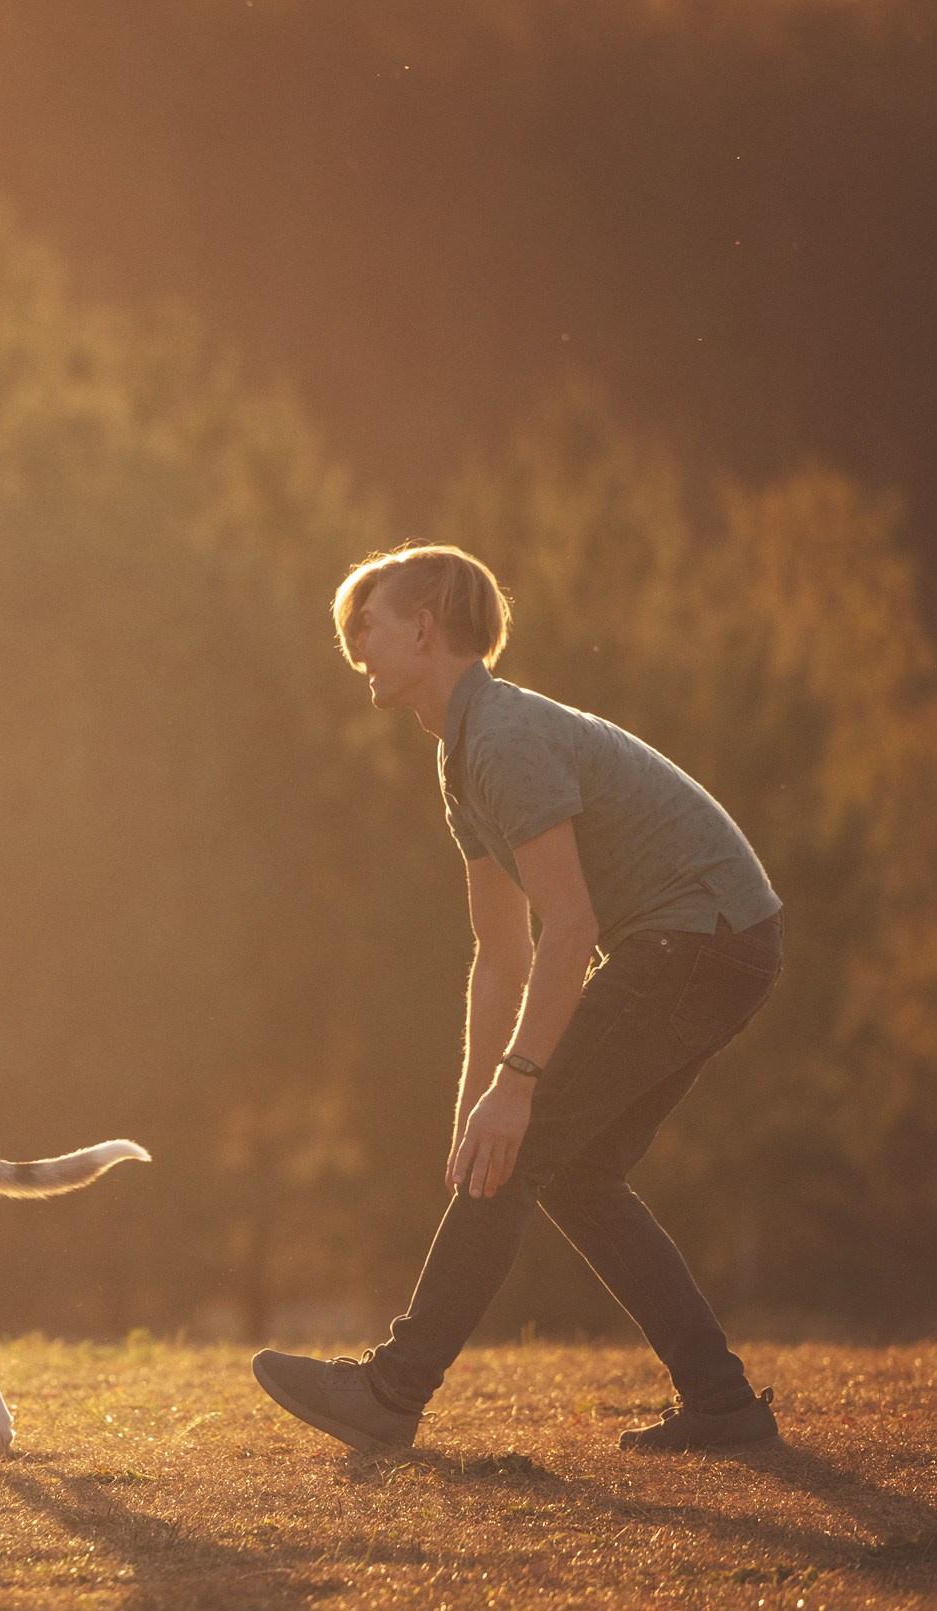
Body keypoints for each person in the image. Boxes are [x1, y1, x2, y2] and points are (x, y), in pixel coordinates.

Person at [252, 545, 784, 1454]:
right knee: (565, 1168)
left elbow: (569, 929)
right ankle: (724, 1405)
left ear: (424, 629)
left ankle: (392, 1391)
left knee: (530, 1146)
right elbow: (499, 953)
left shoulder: (502, 739)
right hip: (707, 944)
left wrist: (522, 1082)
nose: (356, 646)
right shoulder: (464, 759)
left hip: (700, 939)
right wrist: (480, 1104)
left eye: (368, 625)